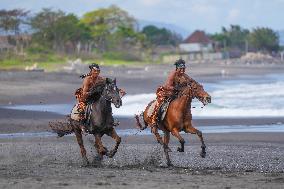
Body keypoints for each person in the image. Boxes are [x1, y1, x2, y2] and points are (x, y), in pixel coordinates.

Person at [75, 63, 126, 133]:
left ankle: (110, 121)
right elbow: (84, 93)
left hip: (95, 96)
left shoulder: (100, 79)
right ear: (91, 71)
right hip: (85, 97)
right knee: (82, 108)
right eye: (95, 71)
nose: (96, 72)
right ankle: (82, 125)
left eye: (98, 71)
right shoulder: (87, 79)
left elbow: (111, 83)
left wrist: (119, 90)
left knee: (106, 103)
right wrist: (93, 92)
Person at [149, 58, 199, 126]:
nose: (182, 70)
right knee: (160, 102)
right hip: (167, 92)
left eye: (183, 68)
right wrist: (177, 89)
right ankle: (154, 118)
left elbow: (192, 81)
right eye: (180, 69)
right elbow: (167, 86)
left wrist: (197, 85)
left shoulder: (184, 75)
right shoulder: (173, 75)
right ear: (177, 68)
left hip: (177, 94)